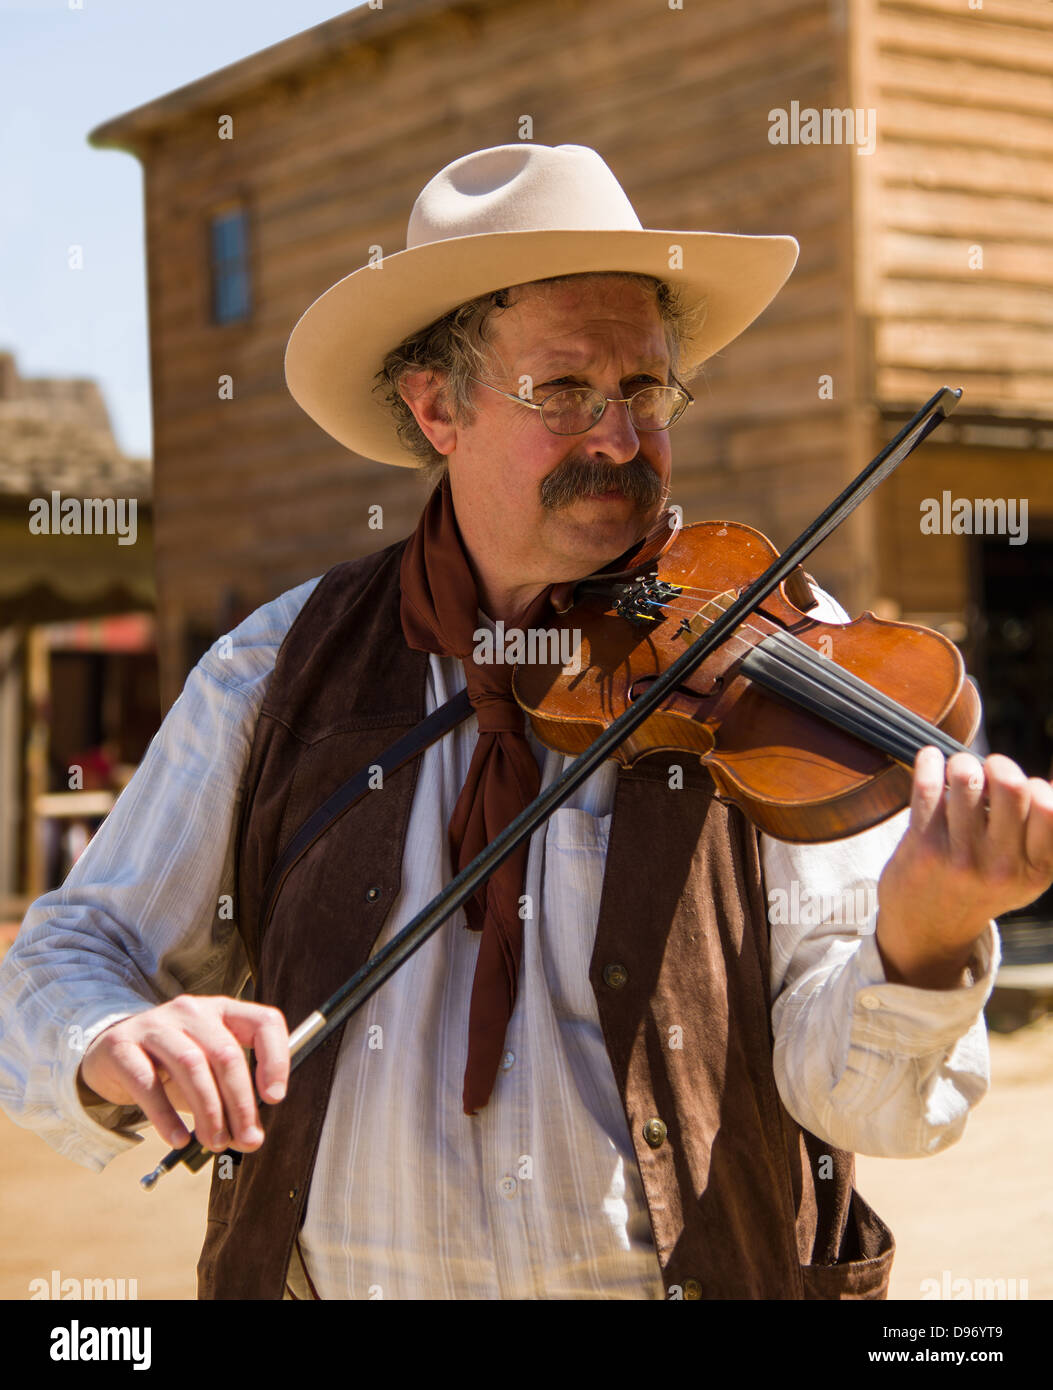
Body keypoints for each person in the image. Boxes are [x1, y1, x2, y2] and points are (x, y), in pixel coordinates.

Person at [2, 144, 1050, 1301]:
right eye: (563, 393)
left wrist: (927, 932)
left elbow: (863, 1104)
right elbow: (61, 960)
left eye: (645, 390)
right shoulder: (273, 669)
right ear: (436, 405)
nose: (618, 436)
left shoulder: (778, 652)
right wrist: (112, 1038)